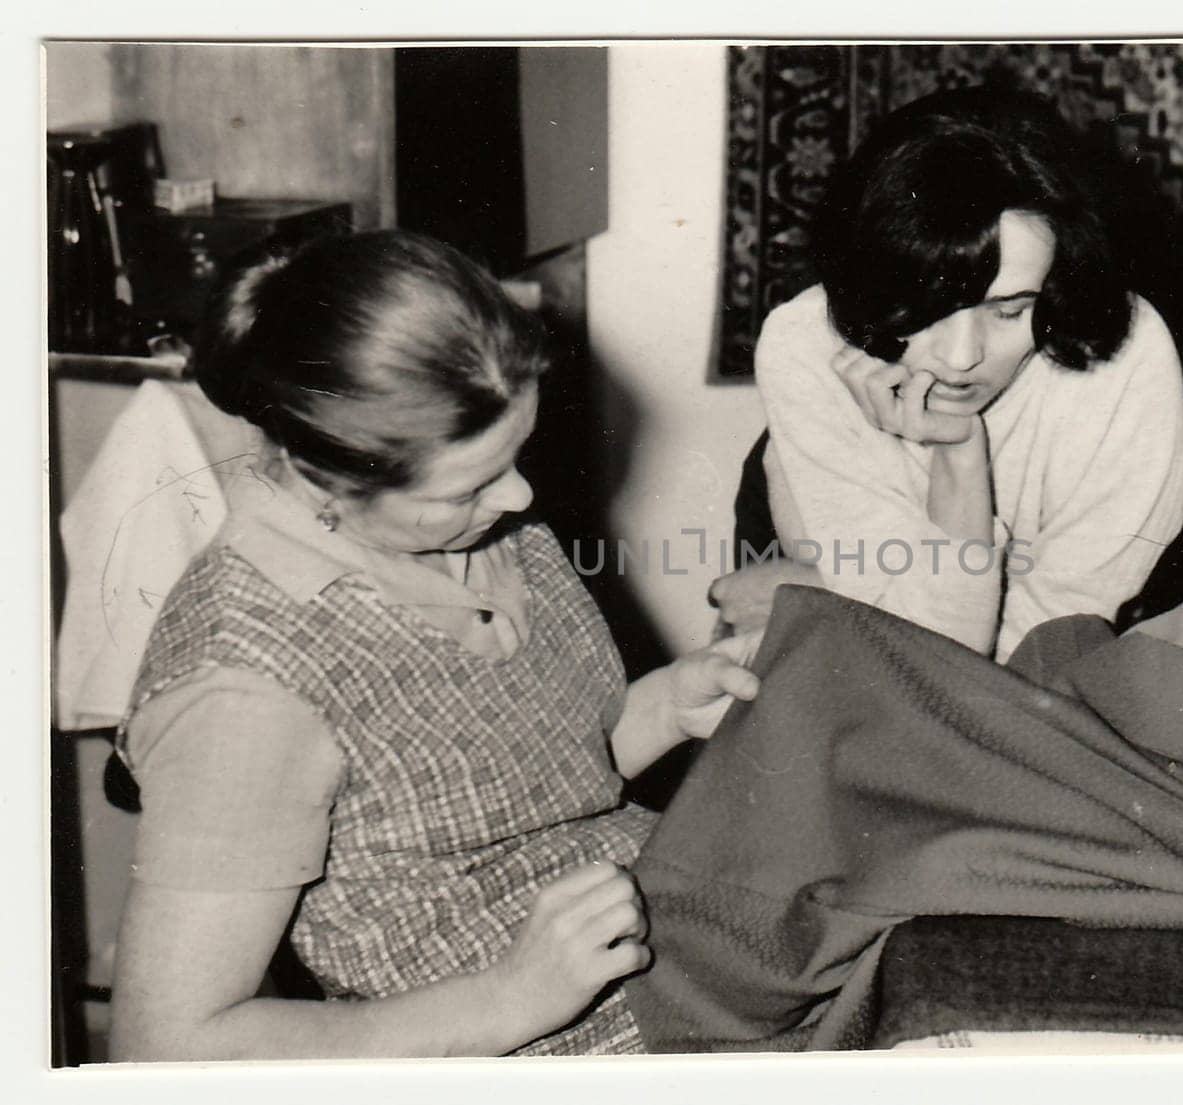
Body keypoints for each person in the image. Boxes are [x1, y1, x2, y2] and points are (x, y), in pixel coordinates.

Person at [108, 230, 760, 1060]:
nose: (521, 494)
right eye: (472, 483)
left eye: (515, 457)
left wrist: (667, 703)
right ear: (327, 478)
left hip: (660, 942)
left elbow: (524, 789)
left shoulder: (473, 530)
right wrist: (510, 998)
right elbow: (165, 1045)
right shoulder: (246, 683)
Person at [716, 88, 1183, 661]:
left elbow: (1015, 658)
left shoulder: (1130, 355)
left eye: (1010, 310)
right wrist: (962, 457)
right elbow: (929, 653)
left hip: (1054, 646)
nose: (963, 357)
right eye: (931, 309)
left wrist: (817, 597)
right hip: (868, 602)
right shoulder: (805, 344)